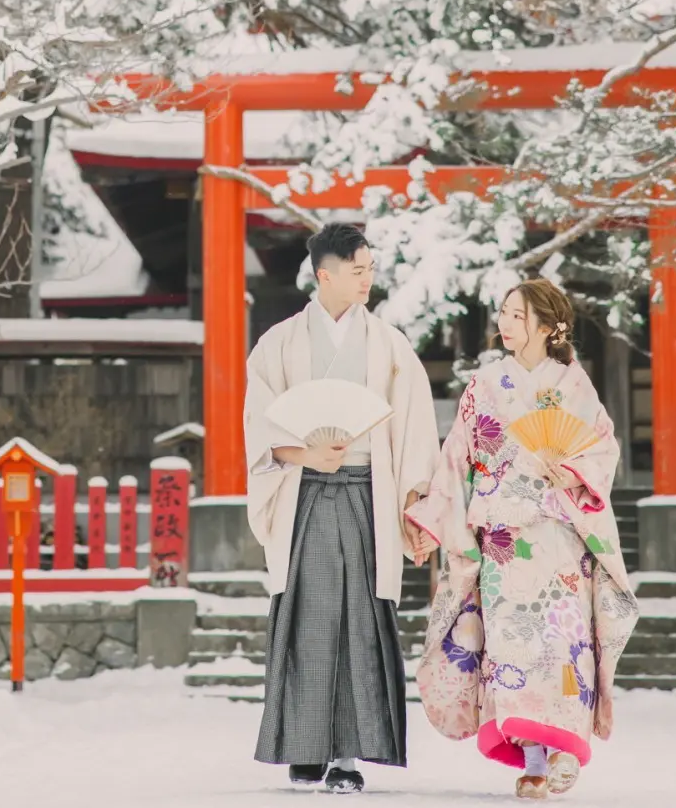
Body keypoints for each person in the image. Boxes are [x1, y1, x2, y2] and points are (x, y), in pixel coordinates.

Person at [404, 278, 640, 800]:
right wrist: (429, 516)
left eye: (515, 315)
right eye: (503, 314)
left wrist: (576, 473)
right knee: (510, 649)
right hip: (503, 541)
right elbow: (456, 457)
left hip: (559, 538)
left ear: (548, 326)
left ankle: (562, 752)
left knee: (561, 646)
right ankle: (531, 758)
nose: (504, 323)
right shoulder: (484, 385)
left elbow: (603, 448)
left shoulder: (575, 386)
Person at [244, 223, 441, 794]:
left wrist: (413, 503)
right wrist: (304, 452)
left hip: (366, 494)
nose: (367, 280)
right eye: (357, 270)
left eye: (371, 269)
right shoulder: (279, 343)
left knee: (359, 620)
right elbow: (259, 423)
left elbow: (413, 430)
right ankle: (305, 748)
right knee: (305, 617)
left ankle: (347, 754)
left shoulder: (388, 344)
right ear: (324, 274)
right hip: (304, 492)